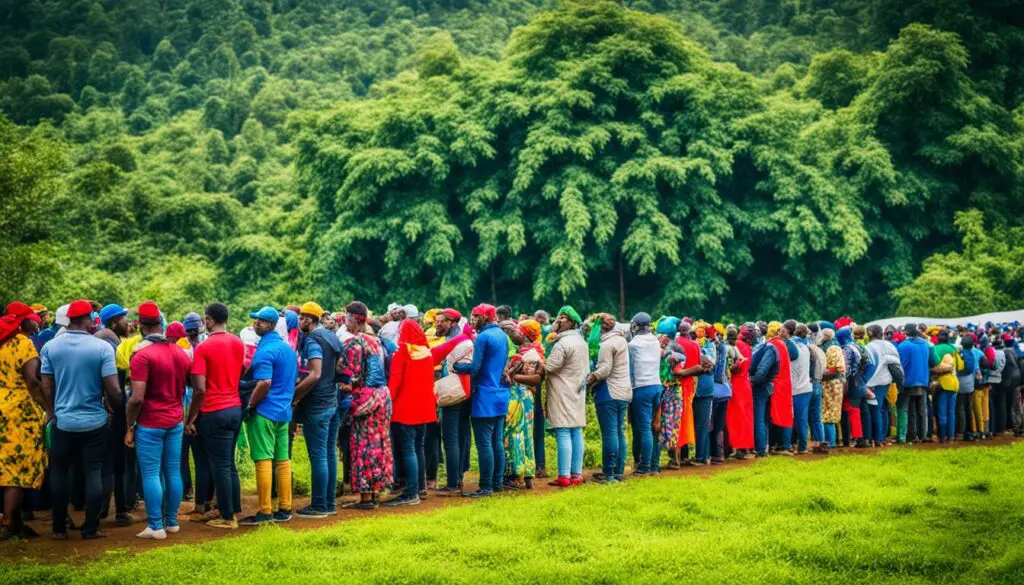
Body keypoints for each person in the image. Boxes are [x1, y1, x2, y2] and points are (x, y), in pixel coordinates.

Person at [40, 299, 122, 540]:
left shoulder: (51, 347)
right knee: (93, 472)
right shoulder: (101, 348)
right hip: (94, 421)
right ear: (88, 319)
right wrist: (116, 410)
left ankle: (58, 528)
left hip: (63, 422)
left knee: (60, 473)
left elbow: (46, 384)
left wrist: (52, 410)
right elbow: (114, 389)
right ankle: (90, 528)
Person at [125, 301, 192, 540]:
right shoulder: (182, 354)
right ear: (161, 324)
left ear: (141, 326)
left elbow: (137, 398)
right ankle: (172, 521)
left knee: (151, 474)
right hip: (175, 420)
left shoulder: (142, 356)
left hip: (151, 423)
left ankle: (155, 525)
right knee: (173, 471)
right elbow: (192, 387)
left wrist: (130, 425)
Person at [185, 302, 244, 529]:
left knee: (220, 466)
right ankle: (232, 508)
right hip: (234, 408)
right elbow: (242, 370)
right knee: (228, 464)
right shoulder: (238, 343)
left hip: (214, 410)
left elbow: (199, 389)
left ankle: (228, 517)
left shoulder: (203, 348)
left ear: (208, 320)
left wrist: (190, 419)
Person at [239, 306, 297, 525]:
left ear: (272, 325)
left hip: (265, 410)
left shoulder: (265, 351)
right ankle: (285, 508)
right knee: (283, 460)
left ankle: (265, 511)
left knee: (263, 459)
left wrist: (251, 405)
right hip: (284, 412)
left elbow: (264, 382)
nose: (256, 324)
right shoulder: (288, 350)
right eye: (256, 320)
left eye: (261, 321)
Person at [338, 302, 393, 510]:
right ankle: (374, 492)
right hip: (382, 398)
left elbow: (351, 378)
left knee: (362, 446)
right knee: (378, 445)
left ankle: (365, 497)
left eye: (347, 317)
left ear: (354, 320)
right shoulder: (375, 341)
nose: (345, 320)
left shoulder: (354, 343)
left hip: (365, 399)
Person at [292, 302, 343, 517]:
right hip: (332, 401)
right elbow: (340, 365)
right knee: (329, 453)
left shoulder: (313, 340)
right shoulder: (332, 336)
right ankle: (329, 503)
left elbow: (315, 373)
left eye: (303, 317)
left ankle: (319, 505)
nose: (300, 320)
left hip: (317, 405)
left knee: (319, 455)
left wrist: (296, 396)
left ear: (309, 319)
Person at [0, 302, 46, 540]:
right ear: (21, 322)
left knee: (2, 465)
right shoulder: (23, 344)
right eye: (31, 319)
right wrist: (48, 407)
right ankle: (10, 523)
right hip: (17, 411)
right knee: (15, 469)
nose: (35, 322)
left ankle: (13, 521)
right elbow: (32, 380)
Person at [456, 304, 510, 497]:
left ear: (487, 317)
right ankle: (497, 483)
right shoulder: (502, 335)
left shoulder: (483, 337)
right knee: (496, 442)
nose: (473, 320)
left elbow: (476, 367)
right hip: (500, 395)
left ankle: (486, 486)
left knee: (484, 443)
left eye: (476, 316)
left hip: (484, 396)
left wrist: (458, 366)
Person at [387, 319, 437, 507]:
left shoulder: (402, 353)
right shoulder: (427, 353)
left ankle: (410, 492)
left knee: (407, 450)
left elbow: (395, 383)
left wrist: (387, 402)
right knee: (418, 448)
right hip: (424, 409)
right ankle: (419, 487)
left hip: (405, 408)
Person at [92, 303, 134, 527]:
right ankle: (119, 512)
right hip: (113, 409)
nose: (128, 323)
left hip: (97, 408)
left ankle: (101, 509)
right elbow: (111, 384)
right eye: (125, 319)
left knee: (101, 462)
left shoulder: (98, 338)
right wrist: (115, 407)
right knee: (116, 462)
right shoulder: (110, 343)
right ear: (115, 320)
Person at [544, 306, 589, 487]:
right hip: (577, 390)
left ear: (569, 321)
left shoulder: (562, 343)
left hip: (562, 390)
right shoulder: (581, 342)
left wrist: (550, 337)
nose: (557, 322)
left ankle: (564, 476)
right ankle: (576, 475)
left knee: (563, 431)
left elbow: (550, 366)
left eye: (560, 319)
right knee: (576, 430)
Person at [432, 309, 474, 495]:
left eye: (442, 321)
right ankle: (458, 478)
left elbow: (434, 358)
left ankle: (452, 485)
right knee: (462, 436)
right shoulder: (466, 339)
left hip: (453, 392)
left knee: (450, 438)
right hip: (467, 391)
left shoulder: (455, 341)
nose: (437, 325)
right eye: (436, 321)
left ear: (453, 322)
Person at [587, 313, 630, 483]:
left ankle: (608, 474)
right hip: (624, 391)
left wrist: (589, 380)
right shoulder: (621, 340)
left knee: (610, 433)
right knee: (619, 431)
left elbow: (604, 370)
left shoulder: (606, 344)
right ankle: (618, 471)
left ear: (600, 328)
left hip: (609, 392)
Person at [504, 319, 544, 488]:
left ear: (525, 334)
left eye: (516, 332)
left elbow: (534, 379)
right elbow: (538, 378)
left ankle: (515, 475)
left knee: (513, 433)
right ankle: (528, 476)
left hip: (517, 396)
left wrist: (513, 376)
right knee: (527, 434)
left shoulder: (522, 355)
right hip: (528, 396)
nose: (513, 335)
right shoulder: (539, 351)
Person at [629, 313, 665, 474]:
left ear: (636, 326)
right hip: (657, 386)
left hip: (641, 388)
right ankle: (655, 466)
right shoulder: (656, 341)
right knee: (654, 429)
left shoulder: (633, 344)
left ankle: (644, 467)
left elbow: (630, 369)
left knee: (644, 429)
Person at [865, 324, 901, 447]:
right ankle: (884, 436)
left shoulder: (869, 347)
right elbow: (896, 363)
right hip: (888, 381)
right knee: (884, 408)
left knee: (876, 409)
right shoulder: (890, 345)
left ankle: (878, 438)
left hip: (875, 382)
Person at [897, 323, 932, 444]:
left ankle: (910, 436)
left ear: (905, 332)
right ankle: (923, 435)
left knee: (906, 409)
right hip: (923, 380)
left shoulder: (904, 346)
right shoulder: (925, 344)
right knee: (922, 410)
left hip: (908, 380)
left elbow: (901, 365)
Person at [725, 325, 754, 459]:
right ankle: (745, 447)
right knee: (745, 416)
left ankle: (737, 448)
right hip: (745, 383)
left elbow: (734, 367)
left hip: (736, 383)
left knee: (735, 417)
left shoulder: (736, 345)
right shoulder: (747, 347)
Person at [787, 322, 813, 455]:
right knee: (801, 419)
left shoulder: (794, 346)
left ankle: (800, 446)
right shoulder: (806, 346)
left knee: (798, 419)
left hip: (797, 388)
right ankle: (800, 446)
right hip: (806, 387)